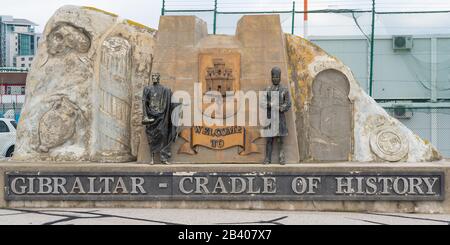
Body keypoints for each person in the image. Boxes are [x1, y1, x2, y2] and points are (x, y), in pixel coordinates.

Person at [142, 73, 178, 164]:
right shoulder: (147, 89)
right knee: (151, 136)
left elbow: (170, 98)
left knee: (163, 134)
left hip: (162, 116)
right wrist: (145, 115)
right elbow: (144, 102)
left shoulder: (164, 89)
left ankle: (163, 158)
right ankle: (152, 158)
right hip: (151, 116)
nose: (154, 78)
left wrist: (177, 106)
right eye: (153, 77)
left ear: (158, 78)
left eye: (156, 77)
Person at [262, 67, 292, 165]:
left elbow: (288, 103)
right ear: (271, 77)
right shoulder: (267, 89)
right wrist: (270, 104)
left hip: (280, 118)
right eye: (274, 77)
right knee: (269, 140)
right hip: (270, 118)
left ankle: (282, 158)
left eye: (277, 77)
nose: (275, 79)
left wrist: (280, 107)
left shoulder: (284, 90)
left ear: (280, 77)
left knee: (280, 140)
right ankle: (267, 158)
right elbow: (262, 103)